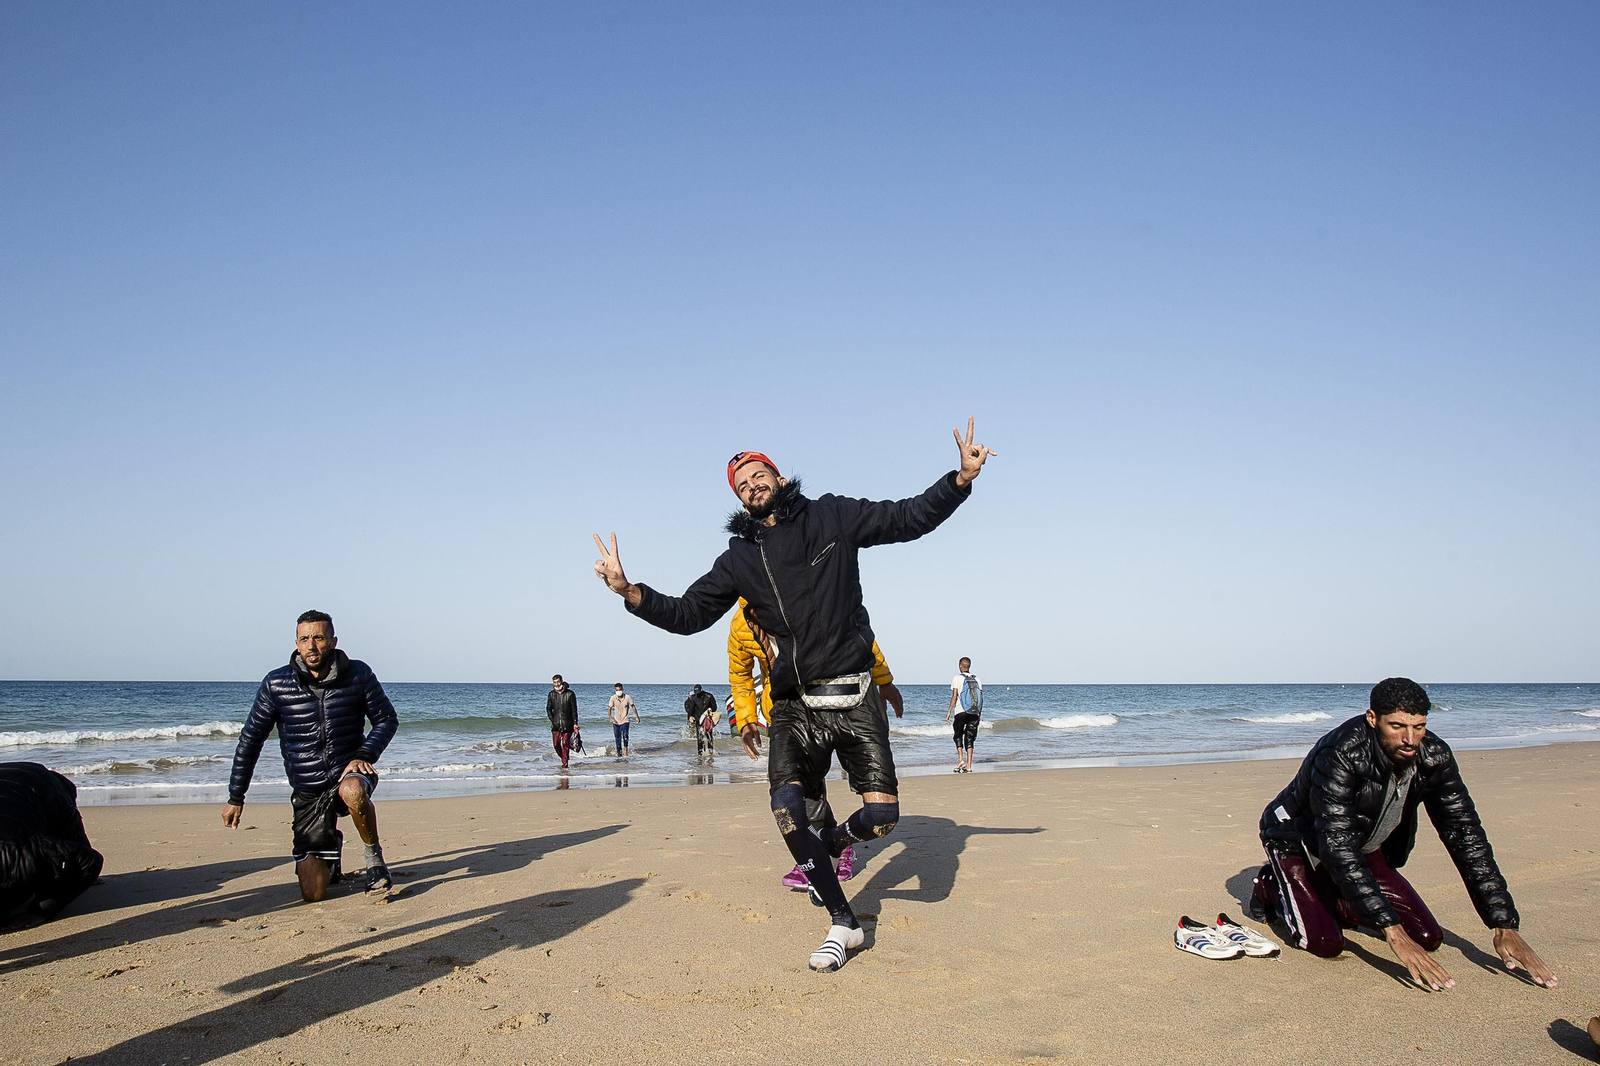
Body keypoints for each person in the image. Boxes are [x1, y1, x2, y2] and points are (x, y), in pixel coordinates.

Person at [593, 417, 994, 971]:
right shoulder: (739, 558)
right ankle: (843, 922)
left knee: (882, 818)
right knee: (787, 812)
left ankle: (826, 847)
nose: (752, 486)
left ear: (779, 478)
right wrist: (630, 592)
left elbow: (906, 518)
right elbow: (688, 614)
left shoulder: (832, 514)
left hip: (854, 695)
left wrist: (960, 480)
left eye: (759, 476)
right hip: (793, 707)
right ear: (739, 499)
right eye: (741, 485)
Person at [1254, 677, 1556, 991]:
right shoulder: (1341, 753)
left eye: (1419, 726)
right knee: (1325, 943)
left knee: (1427, 938)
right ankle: (1269, 884)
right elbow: (1336, 843)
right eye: (1397, 726)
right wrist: (1392, 932)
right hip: (1299, 840)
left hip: (1364, 845)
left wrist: (1503, 924)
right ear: (1373, 719)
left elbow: (1465, 835)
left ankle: (1333, 896)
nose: (1410, 739)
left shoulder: (1434, 757)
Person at [728, 596, 904, 888]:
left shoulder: (811, 593)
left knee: (879, 807)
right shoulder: (740, 625)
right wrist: (746, 720)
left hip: (840, 701)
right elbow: (740, 675)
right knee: (803, 789)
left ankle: (838, 842)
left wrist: (884, 681)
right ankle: (824, 852)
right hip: (788, 709)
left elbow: (861, 640)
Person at [223, 610, 398, 901]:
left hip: (349, 773)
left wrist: (365, 753)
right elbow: (251, 740)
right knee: (313, 893)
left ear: (332, 640)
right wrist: (236, 797)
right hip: (308, 789)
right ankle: (332, 849)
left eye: (318, 637)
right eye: (305, 639)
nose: (311, 646)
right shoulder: (276, 684)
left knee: (353, 789)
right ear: (296, 643)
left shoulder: (358, 674)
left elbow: (387, 719)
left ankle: (374, 860)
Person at [946, 656, 983, 773]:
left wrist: (949, 711)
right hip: (974, 712)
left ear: (960, 666)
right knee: (970, 738)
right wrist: (979, 714)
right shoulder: (977, 679)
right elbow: (980, 698)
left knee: (958, 735)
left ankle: (961, 760)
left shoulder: (957, 678)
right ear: (969, 666)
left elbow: (955, 696)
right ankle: (969, 765)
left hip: (961, 711)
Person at [546, 675, 578, 769]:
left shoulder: (570, 694)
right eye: (555, 682)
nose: (557, 684)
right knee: (556, 745)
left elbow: (574, 710)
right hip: (556, 725)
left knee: (565, 744)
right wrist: (553, 720)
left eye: (558, 682)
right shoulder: (551, 694)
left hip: (568, 723)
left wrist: (575, 723)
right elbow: (548, 708)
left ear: (562, 681)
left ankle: (565, 764)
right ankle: (564, 758)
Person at [606, 683, 641, 758]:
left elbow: (633, 706)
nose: (618, 691)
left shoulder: (627, 697)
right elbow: (609, 708)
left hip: (625, 720)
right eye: (617, 690)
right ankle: (619, 754)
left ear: (622, 689)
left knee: (625, 735)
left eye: (620, 689)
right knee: (617, 739)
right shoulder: (613, 698)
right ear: (615, 690)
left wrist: (637, 717)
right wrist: (610, 717)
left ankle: (626, 751)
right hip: (616, 721)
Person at [684, 684, 719, 757]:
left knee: (709, 736)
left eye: (698, 693)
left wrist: (711, 709)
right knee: (699, 738)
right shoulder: (694, 697)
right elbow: (691, 708)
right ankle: (700, 754)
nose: (697, 695)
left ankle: (710, 752)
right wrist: (690, 716)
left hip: (707, 719)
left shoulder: (709, 696)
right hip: (698, 719)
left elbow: (715, 707)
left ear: (702, 690)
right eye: (696, 693)